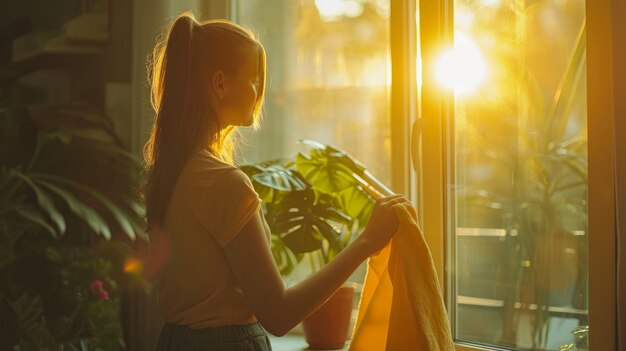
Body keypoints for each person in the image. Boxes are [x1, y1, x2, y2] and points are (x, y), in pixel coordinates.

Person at [143, 12, 409, 351]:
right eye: (253, 78)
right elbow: (279, 315)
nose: (259, 90)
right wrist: (367, 241)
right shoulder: (224, 183)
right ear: (220, 84)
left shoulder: (171, 174)